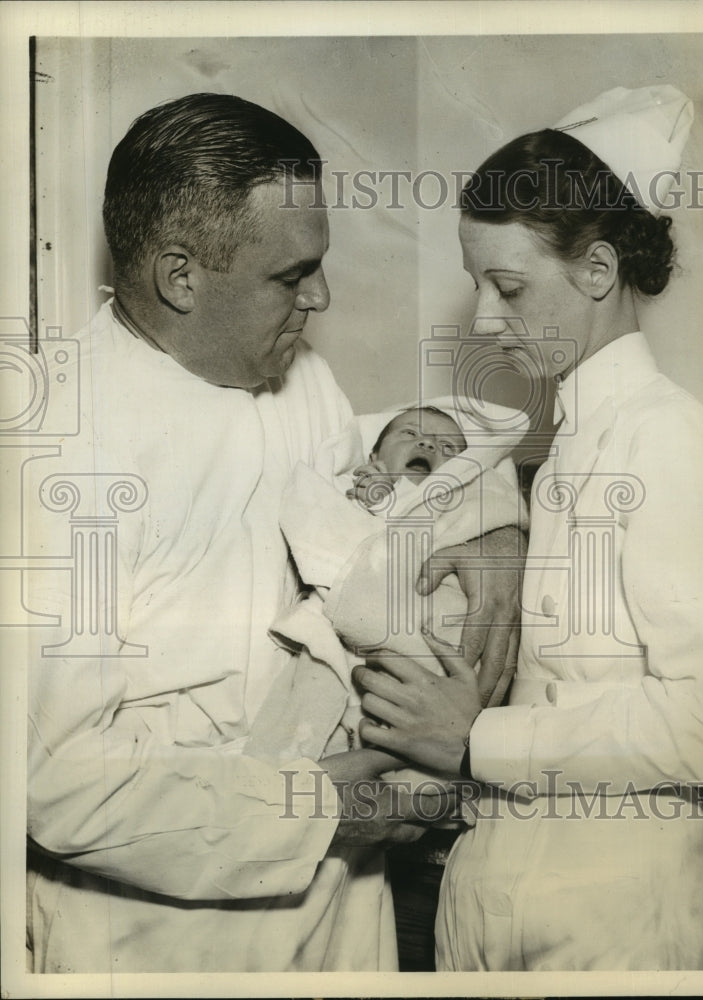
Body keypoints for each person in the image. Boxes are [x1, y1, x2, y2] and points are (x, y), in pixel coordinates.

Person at [24, 93, 525, 973]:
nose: (321, 295)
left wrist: (488, 530)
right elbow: (51, 782)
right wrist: (321, 810)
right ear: (181, 278)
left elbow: (376, 521)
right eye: (291, 276)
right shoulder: (60, 456)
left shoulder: (304, 384)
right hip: (165, 937)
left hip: (338, 910)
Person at [353, 85, 703, 970]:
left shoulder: (672, 440)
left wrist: (476, 741)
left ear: (598, 273)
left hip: (616, 918)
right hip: (502, 898)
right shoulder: (568, 449)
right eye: (478, 285)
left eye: (508, 286)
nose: (486, 321)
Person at [245, 397, 529, 785]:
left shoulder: (462, 498)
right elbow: (325, 530)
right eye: (411, 434)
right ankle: (278, 788)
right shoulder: (353, 485)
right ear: (374, 452)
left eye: (450, 448)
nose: (429, 446)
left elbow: (488, 521)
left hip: (424, 625)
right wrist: (370, 495)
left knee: (414, 761)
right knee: (307, 724)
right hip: (347, 633)